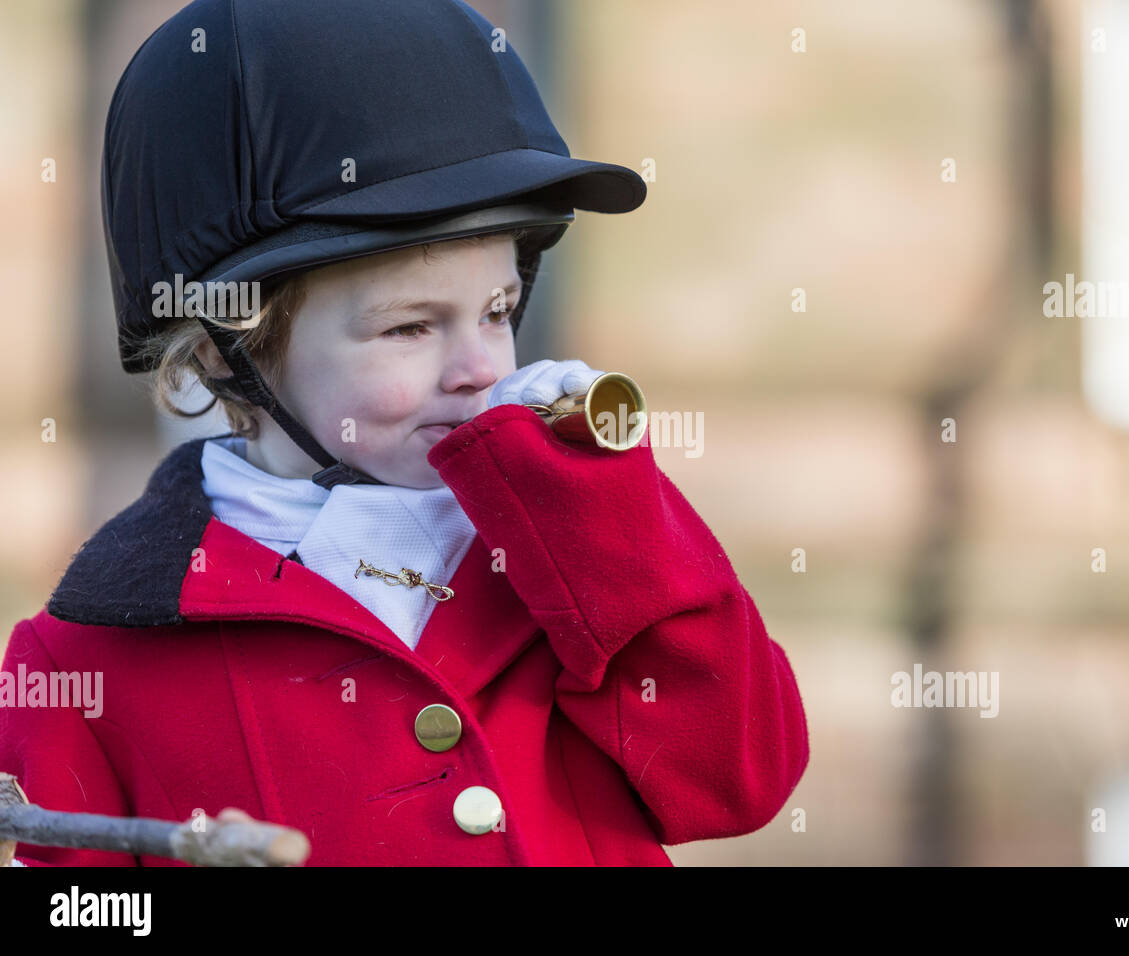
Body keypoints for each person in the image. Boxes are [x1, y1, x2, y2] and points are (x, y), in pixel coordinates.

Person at [0, 0, 809, 866]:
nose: (477, 369)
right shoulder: (77, 660)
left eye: (497, 312)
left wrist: (602, 513)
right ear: (224, 351)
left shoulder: (568, 549)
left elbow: (741, 779)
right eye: (409, 329)